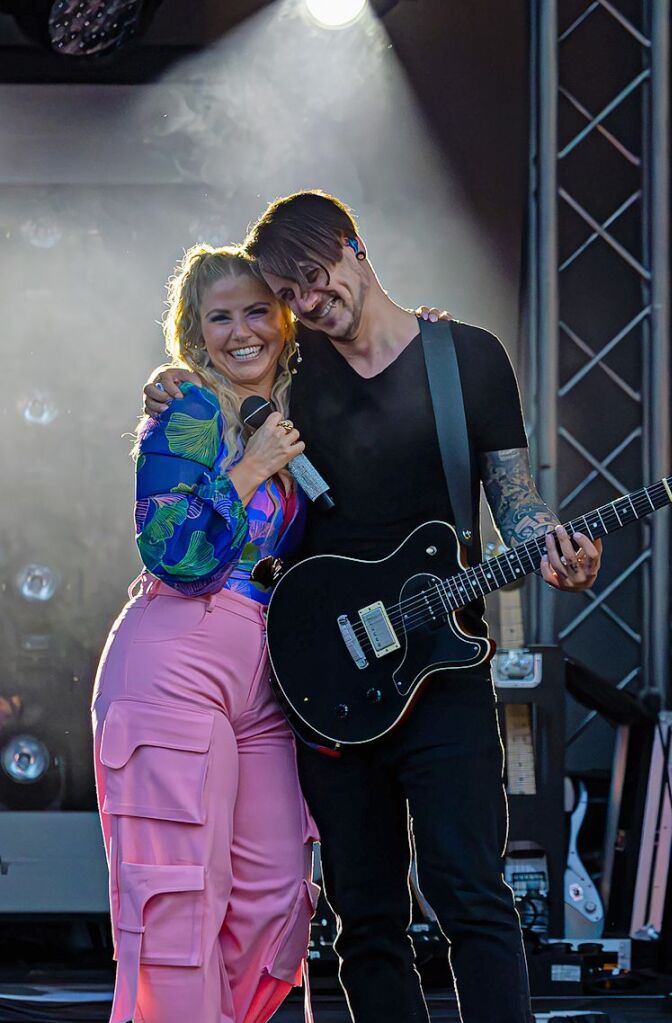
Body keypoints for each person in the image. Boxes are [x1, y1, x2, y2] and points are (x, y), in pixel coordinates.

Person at [145, 191, 603, 1023]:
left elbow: (512, 493)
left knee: (472, 891)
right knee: (365, 917)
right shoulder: (292, 369)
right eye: (290, 295)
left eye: (314, 279)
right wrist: (172, 376)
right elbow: (219, 367)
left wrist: (552, 545)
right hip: (325, 670)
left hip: (443, 667)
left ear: (354, 247)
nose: (307, 303)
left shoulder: (466, 356)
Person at [92, 245, 320, 1023]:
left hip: (267, 675)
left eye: (257, 309)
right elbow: (170, 550)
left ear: (286, 318)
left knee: (274, 896)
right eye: (219, 316)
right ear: (194, 333)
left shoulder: (300, 406)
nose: (241, 331)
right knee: (179, 899)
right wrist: (250, 468)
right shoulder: (187, 410)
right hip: (176, 655)